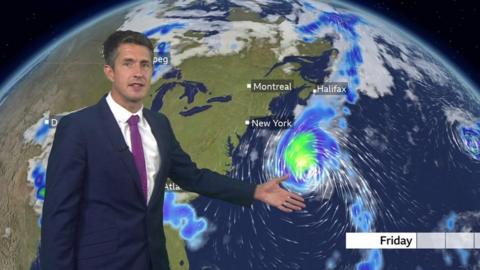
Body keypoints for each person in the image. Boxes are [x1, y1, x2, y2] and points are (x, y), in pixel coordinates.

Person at [40, 30, 305, 270]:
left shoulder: (159, 124)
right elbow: (58, 216)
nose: (138, 72)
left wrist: (255, 190)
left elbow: (192, 176)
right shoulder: (78, 128)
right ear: (109, 71)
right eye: (128, 63)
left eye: (145, 65)